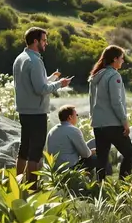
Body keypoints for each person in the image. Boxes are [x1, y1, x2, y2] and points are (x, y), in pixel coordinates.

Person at [12, 27, 71, 183]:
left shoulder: (20, 58)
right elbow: (41, 89)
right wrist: (60, 83)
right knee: (36, 151)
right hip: (36, 112)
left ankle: (18, 183)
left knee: (24, 148)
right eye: (44, 40)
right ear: (35, 41)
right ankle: (32, 186)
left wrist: (51, 78)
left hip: (24, 110)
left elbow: (32, 84)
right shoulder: (35, 61)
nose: (47, 43)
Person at [88, 45, 132, 180]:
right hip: (113, 124)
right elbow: (116, 102)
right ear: (114, 59)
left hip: (98, 125)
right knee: (129, 154)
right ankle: (124, 186)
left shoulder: (94, 77)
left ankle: (99, 188)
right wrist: (124, 122)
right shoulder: (114, 76)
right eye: (121, 58)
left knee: (102, 159)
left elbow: (91, 103)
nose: (122, 61)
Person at [46, 105, 94, 170]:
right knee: (96, 158)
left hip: (53, 169)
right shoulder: (73, 130)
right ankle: (101, 178)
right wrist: (93, 151)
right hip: (69, 168)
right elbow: (86, 154)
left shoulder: (52, 131)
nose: (77, 117)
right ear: (70, 117)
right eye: (76, 115)